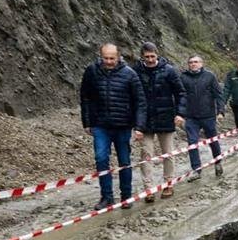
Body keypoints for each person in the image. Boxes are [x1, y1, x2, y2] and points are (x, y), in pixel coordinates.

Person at [79, 43, 146, 210]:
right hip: (100, 125)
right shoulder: (92, 72)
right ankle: (107, 197)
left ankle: (126, 196)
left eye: (112, 58)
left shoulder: (130, 74)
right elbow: (85, 97)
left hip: (123, 125)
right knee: (101, 159)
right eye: (105, 58)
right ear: (100, 56)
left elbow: (140, 102)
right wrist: (87, 122)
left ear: (118, 57)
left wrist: (139, 127)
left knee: (124, 160)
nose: (108, 61)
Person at [134, 42, 186, 202]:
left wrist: (180, 113)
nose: (150, 59)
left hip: (166, 117)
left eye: (152, 56)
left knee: (168, 153)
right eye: (147, 57)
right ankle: (148, 189)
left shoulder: (169, 70)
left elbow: (180, 92)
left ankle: (168, 184)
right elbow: (133, 96)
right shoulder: (136, 72)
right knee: (146, 154)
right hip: (145, 120)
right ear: (142, 57)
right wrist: (135, 122)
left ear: (157, 55)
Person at [181, 55, 226, 179]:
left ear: (201, 63)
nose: (193, 64)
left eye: (196, 62)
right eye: (190, 62)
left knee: (213, 140)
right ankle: (196, 169)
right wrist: (179, 113)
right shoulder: (184, 77)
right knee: (192, 143)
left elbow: (218, 94)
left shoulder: (209, 76)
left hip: (208, 115)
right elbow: (181, 96)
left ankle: (217, 162)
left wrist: (221, 111)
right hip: (191, 117)